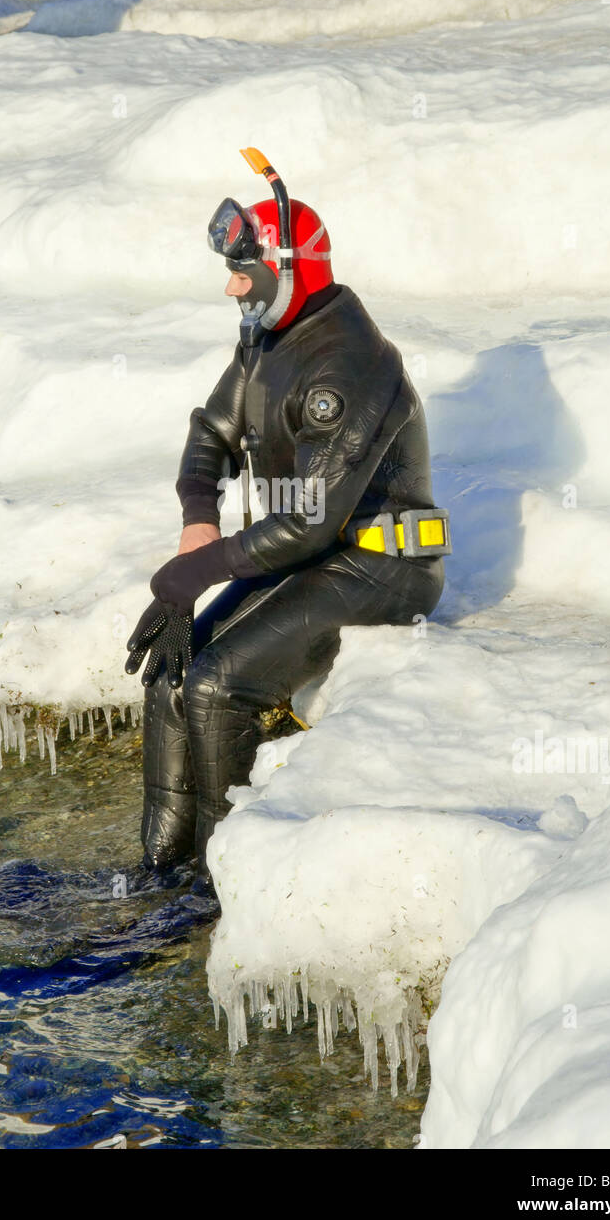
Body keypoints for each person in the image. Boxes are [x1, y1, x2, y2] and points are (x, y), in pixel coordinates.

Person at [126, 149, 450, 899]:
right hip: (315, 555)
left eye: (245, 273)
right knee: (170, 674)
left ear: (289, 272)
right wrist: (198, 526)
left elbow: (306, 521)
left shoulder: (346, 366)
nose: (232, 287)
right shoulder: (266, 341)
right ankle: (159, 878)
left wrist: (195, 577)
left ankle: (217, 893)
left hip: (381, 567)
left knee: (214, 687)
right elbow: (209, 431)